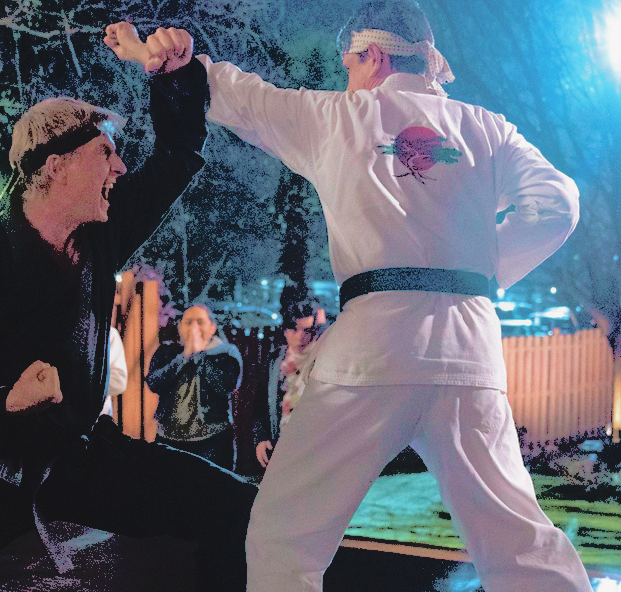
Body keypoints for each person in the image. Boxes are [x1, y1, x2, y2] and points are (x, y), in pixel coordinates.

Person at [181, 1, 594, 590]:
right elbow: (558, 205)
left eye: (349, 65)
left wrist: (182, 63)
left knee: (285, 536)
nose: (346, 78)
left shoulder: (341, 118)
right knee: (519, 546)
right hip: (467, 353)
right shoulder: (486, 128)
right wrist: (477, 274)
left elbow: (246, 98)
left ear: (372, 56)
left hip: (371, 355)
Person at [0, 24, 256, 592]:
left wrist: (173, 81)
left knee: (237, 507)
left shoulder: (100, 235)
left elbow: (175, 158)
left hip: (82, 454)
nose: (119, 168)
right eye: (104, 153)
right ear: (53, 165)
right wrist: (1, 402)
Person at [147, 304, 242, 471]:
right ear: (180, 327)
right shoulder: (167, 351)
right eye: (188, 322)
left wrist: (200, 355)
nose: (194, 328)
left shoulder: (226, 352)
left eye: (200, 322)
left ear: (212, 327)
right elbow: (154, 383)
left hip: (212, 439)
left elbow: (225, 387)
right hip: (169, 439)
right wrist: (183, 358)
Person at [253, 302, 327, 468]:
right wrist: (261, 438)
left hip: (314, 445)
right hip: (280, 441)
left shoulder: (323, 358)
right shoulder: (275, 360)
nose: (300, 337)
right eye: (295, 329)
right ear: (286, 330)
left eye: (307, 330)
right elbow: (260, 403)